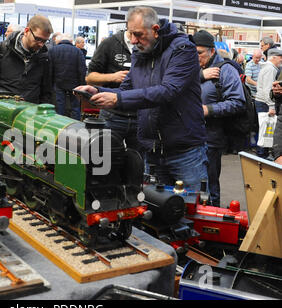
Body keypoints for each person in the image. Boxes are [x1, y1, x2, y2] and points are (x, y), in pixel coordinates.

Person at [75, 6, 208, 192]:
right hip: (151, 150)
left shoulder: (183, 49)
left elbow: (168, 91)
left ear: (155, 30)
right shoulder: (140, 53)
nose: (133, 40)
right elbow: (126, 89)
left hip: (184, 151)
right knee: (155, 212)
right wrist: (96, 90)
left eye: (138, 34)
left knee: (188, 210)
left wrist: (117, 99)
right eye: (130, 34)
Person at [193, 29, 246, 207]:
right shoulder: (196, 69)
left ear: (212, 51)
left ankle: (212, 220)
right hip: (189, 135)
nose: (195, 57)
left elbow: (238, 102)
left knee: (209, 184)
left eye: (199, 53)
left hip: (211, 137)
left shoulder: (226, 70)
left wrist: (209, 109)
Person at [85, 22, 139, 153]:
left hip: (140, 116)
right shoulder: (109, 44)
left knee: (138, 164)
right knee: (106, 160)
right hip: (113, 115)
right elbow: (89, 78)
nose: (135, 39)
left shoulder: (148, 46)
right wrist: (112, 77)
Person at [0, 15, 53, 104]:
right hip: (2, 111)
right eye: (38, 39)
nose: (41, 44)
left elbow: (46, 93)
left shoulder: (44, 57)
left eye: (45, 41)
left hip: (30, 114)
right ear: (26, 31)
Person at [48, 33, 86, 120]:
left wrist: (50, 84)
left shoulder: (53, 50)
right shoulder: (77, 51)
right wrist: (82, 85)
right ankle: (76, 127)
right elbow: (82, 70)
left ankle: (59, 126)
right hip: (74, 84)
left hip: (58, 83)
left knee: (59, 107)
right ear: (71, 41)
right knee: (75, 108)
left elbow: (49, 70)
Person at [254, 48, 282, 158]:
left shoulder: (267, 68)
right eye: (280, 57)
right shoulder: (270, 69)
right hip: (265, 103)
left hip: (262, 101)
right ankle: (262, 156)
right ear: (274, 57)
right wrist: (271, 106)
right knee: (266, 132)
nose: (281, 60)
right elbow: (268, 89)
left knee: (264, 131)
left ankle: (262, 155)